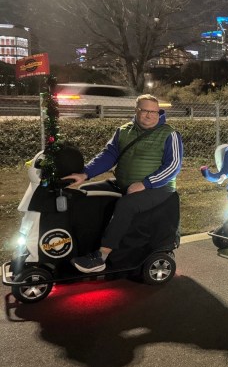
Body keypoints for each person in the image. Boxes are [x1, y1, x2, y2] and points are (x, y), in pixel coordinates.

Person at [64, 94, 183, 273]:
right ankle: (78, 244)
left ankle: (101, 257)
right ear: (136, 111)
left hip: (159, 188)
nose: (149, 115)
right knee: (85, 193)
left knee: (127, 204)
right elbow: (108, 156)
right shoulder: (123, 131)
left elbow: (173, 166)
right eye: (144, 111)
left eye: (154, 112)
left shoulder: (170, 134)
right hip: (123, 183)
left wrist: (146, 183)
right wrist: (85, 174)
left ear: (159, 113)